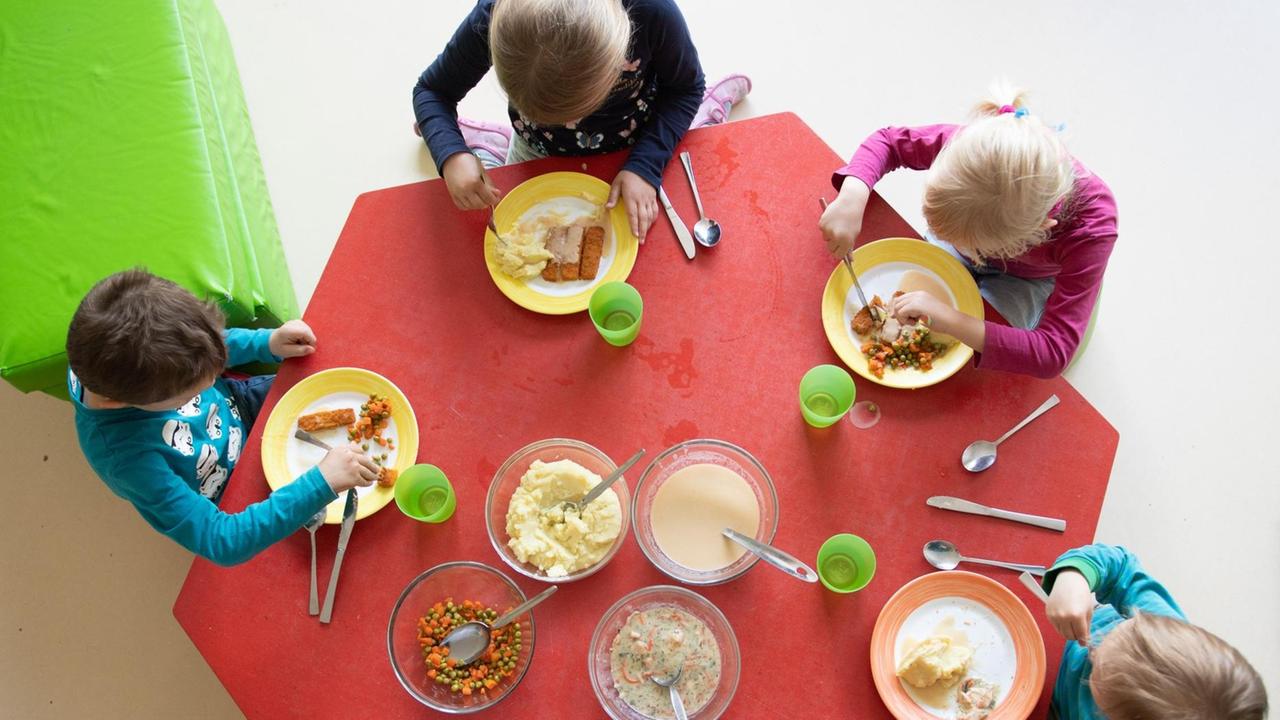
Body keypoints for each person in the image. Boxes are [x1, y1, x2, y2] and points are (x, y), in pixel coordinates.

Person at [65, 269, 378, 566]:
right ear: (117, 402)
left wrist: (264, 343)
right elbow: (222, 541)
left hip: (241, 404)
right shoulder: (128, 462)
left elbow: (198, 347)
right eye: (190, 395)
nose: (211, 381)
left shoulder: (133, 352)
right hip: (230, 493)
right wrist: (320, 483)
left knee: (341, 375)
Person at [820, 83, 1116, 377]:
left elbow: (1052, 352)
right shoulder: (971, 151)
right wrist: (852, 196)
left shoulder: (1093, 227)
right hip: (981, 235)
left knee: (974, 347)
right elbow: (888, 142)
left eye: (973, 246)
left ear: (1040, 230)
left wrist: (951, 320)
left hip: (1026, 280)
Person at [413, 0, 749, 239]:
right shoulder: (496, 14)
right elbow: (431, 91)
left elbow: (685, 88)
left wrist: (645, 167)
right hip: (536, 146)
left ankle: (712, 108)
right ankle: (481, 142)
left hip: (635, 140)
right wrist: (452, 156)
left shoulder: (652, 12)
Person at [1043, 543, 1268, 719]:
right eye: (1119, 630)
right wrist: (1075, 577)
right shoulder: (1164, 625)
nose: (1092, 649)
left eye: (1099, 671)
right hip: (1054, 636)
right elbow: (1121, 567)